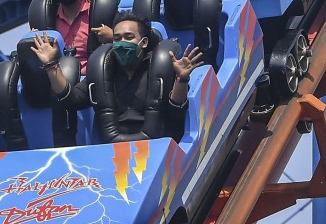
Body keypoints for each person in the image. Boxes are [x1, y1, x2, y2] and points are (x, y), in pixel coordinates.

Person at [31, 11, 204, 141]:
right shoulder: (103, 70)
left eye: (129, 37)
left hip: (158, 146)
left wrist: (181, 78)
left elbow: (176, 110)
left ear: (143, 43)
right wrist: (51, 65)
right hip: (114, 152)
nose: (122, 43)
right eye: (117, 38)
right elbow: (72, 100)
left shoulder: (161, 68)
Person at [49, 0, 112, 73]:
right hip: (56, 80)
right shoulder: (48, 19)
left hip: (93, 81)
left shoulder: (102, 15)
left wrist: (113, 37)